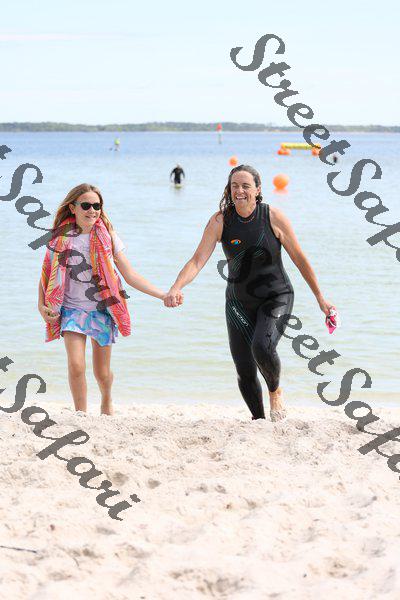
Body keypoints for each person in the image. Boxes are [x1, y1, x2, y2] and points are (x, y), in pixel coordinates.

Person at [164, 165, 335, 421]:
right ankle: (259, 421)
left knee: (262, 347)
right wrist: (177, 286)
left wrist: (320, 297)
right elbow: (197, 260)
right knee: (244, 368)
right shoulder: (220, 221)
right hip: (238, 303)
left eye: (246, 186)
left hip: (276, 296)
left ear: (258, 189)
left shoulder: (273, 217)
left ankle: (275, 391)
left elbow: (299, 258)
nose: (239, 191)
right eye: (234, 186)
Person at [38, 183, 165, 416]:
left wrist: (162, 295)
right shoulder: (59, 238)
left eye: (97, 206)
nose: (92, 211)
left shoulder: (108, 237)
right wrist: (40, 305)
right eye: (86, 205)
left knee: (102, 373)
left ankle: (107, 399)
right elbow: (47, 274)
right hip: (71, 309)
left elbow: (129, 275)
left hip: (102, 310)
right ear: (73, 208)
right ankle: (81, 414)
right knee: (76, 365)